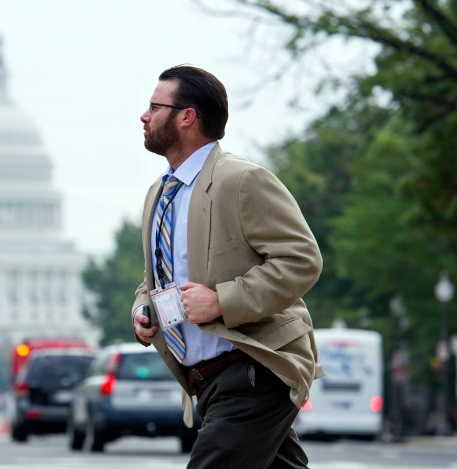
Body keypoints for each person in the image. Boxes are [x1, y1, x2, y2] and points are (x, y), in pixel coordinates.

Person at [131, 65, 323, 469]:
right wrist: (143, 307)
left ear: (187, 116)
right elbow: (161, 273)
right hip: (208, 382)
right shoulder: (159, 193)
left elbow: (301, 259)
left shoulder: (242, 180)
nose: (144, 116)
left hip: (256, 368)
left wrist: (222, 301)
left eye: (154, 106)